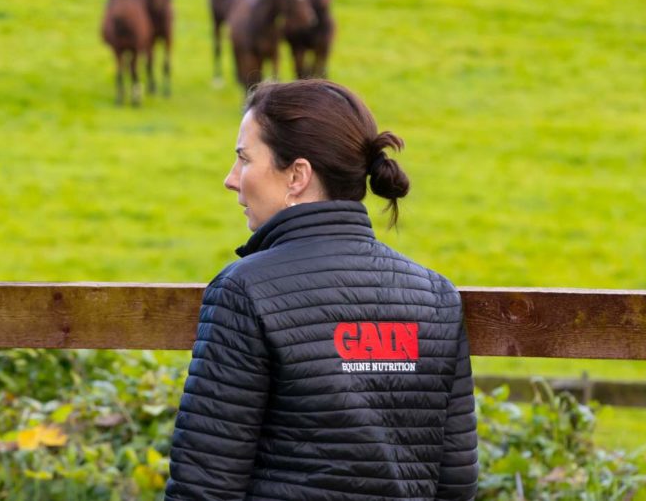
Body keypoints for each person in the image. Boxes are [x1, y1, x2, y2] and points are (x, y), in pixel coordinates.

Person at [165, 79, 478, 500]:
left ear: (297, 175)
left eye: (243, 159)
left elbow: (204, 486)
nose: (231, 179)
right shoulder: (436, 296)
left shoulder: (245, 292)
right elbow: (456, 484)